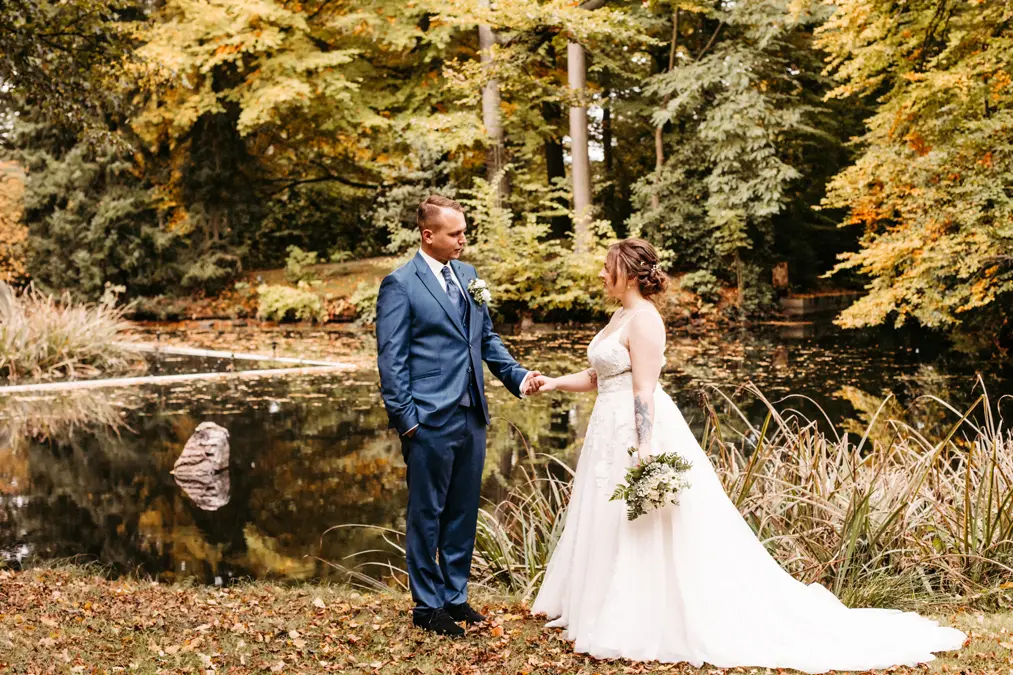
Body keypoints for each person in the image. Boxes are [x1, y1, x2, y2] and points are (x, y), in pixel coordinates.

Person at [527, 238, 966, 672]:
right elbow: (599, 375)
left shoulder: (645, 320)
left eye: (608, 267)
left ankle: (642, 618)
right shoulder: (620, 314)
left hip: (635, 432)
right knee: (609, 517)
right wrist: (551, 383)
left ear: (626, 272)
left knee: (644, 522)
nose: (602, 274)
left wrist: (643, 448)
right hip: (607, 431)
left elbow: (643, 389)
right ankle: (601, 608)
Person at [375, 195, 540, 637]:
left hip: (471, 414)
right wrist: (406, 420)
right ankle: (427, 606)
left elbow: (485, 340)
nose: (463, 240)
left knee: (464, 510)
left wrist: (519, 377)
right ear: (428, 235)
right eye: (455, 233)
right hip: (427, 418)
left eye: (464, 231)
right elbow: (392, 360)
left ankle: (454, 596)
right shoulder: (400, 284)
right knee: (426, 513)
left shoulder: (468, 277)